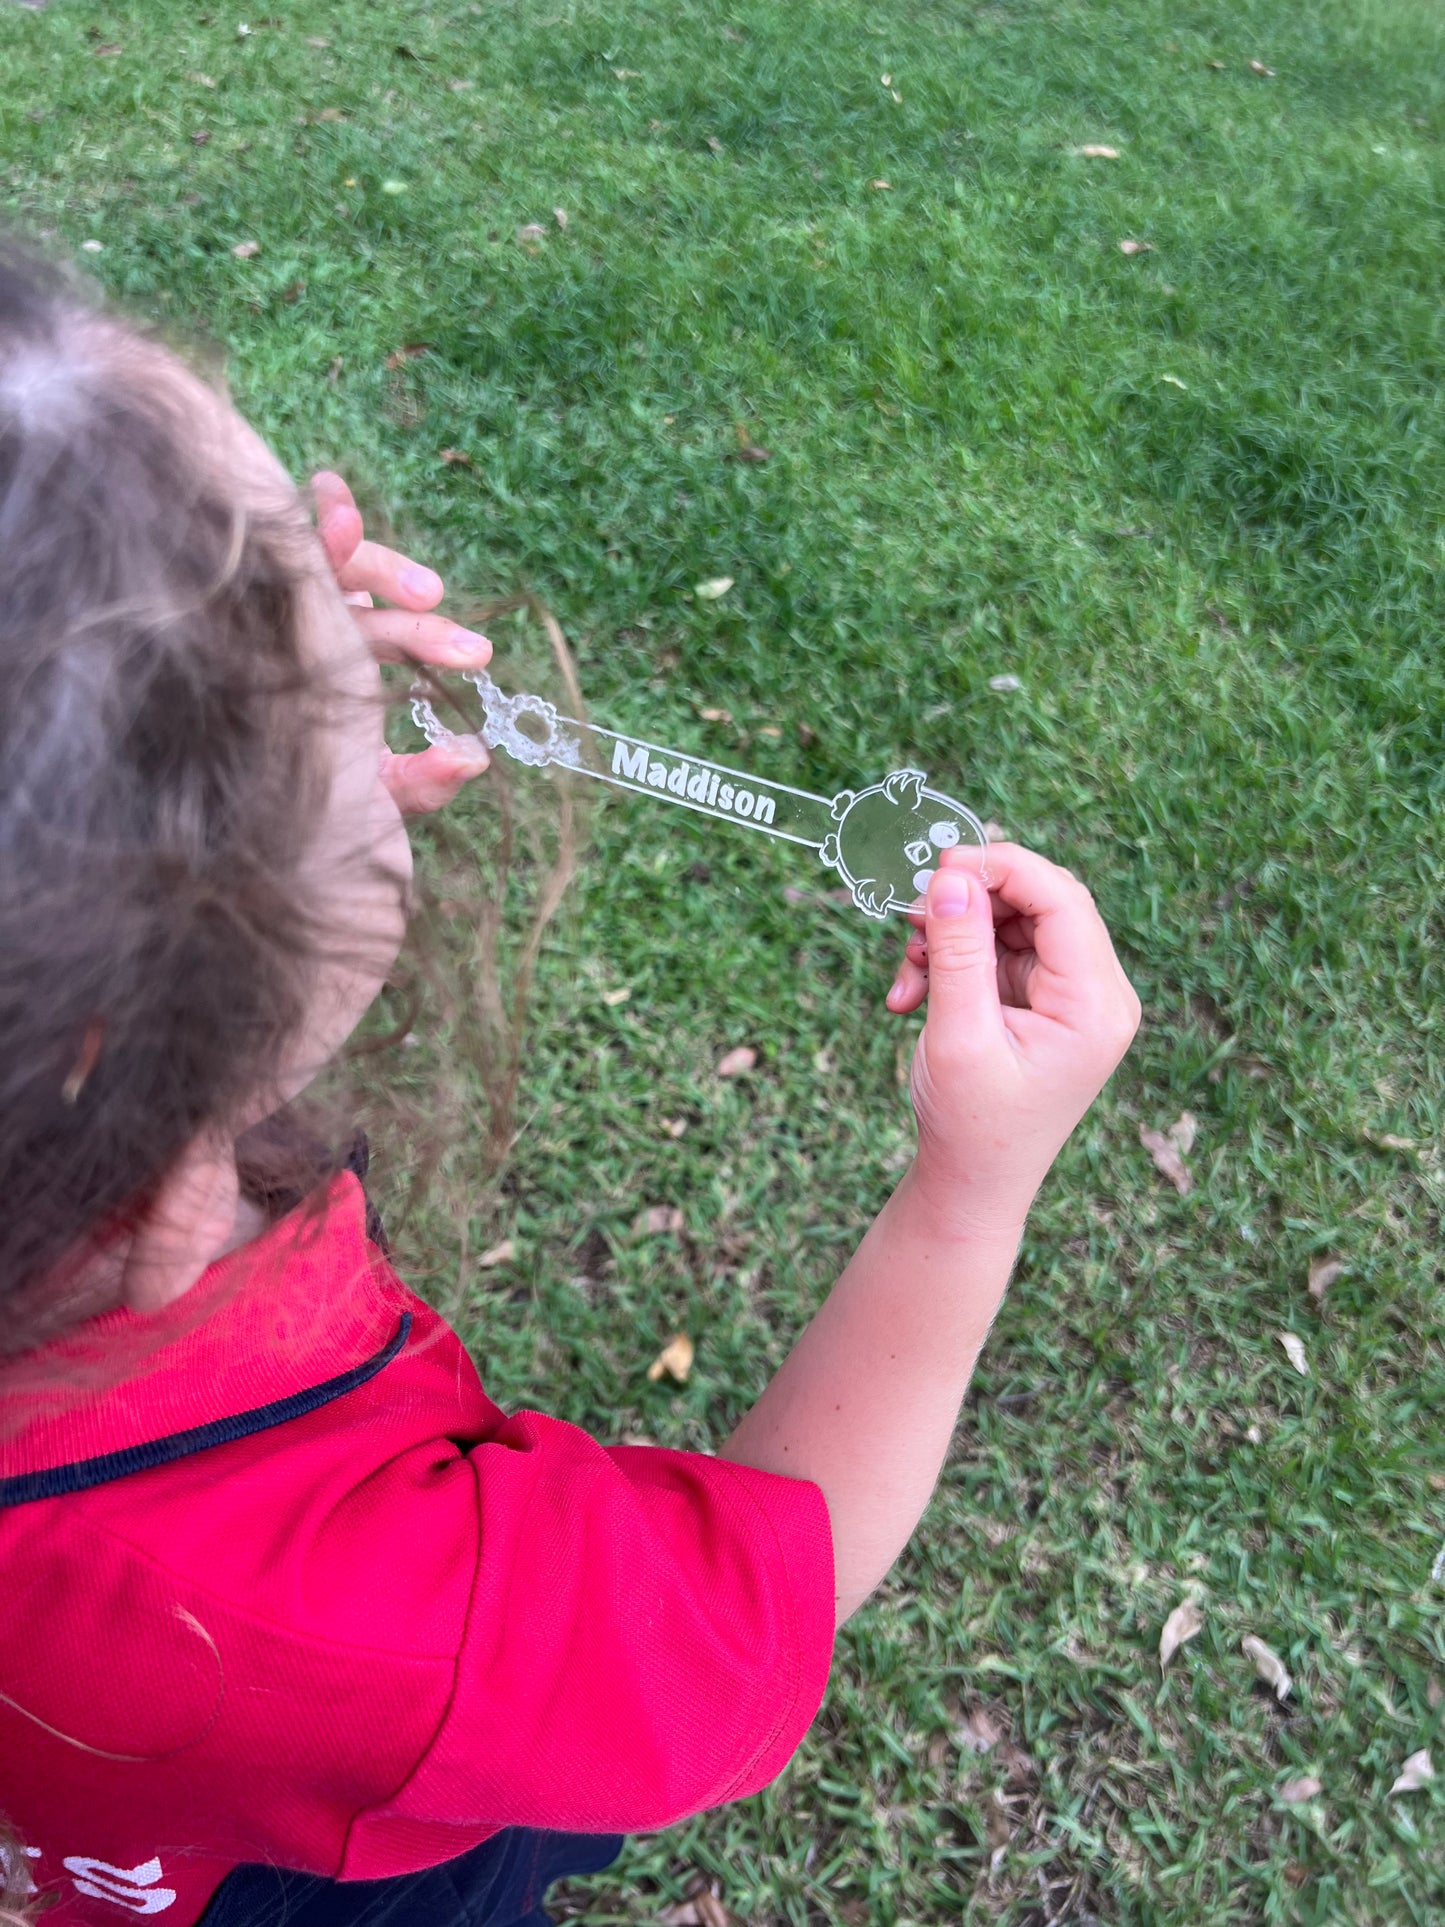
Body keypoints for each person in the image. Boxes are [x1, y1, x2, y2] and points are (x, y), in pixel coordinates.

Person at [0, 238, 1140, 1927]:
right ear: (145, 989)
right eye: (321, 696)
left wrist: (212, 761)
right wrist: (967, 1192)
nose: (364, 631)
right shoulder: (354, 1623)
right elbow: (746, 1602)